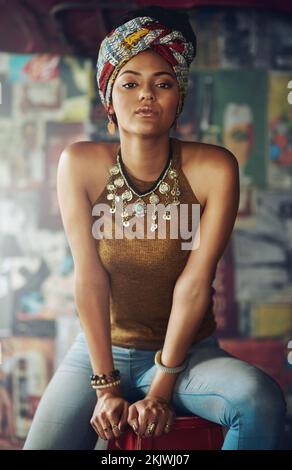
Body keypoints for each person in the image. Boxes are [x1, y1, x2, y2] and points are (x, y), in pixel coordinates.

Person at [23, 6, 286, 450]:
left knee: (260, 398)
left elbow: (195, 282)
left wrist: (161, 387)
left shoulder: (213, 168)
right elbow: (88, 276)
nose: (146, 94)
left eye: (162, 83)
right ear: (109, 97)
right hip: (97, 350)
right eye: (130, 83)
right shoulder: (80, 165)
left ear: (178, 99)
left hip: (188, 356)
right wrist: (106, 387)